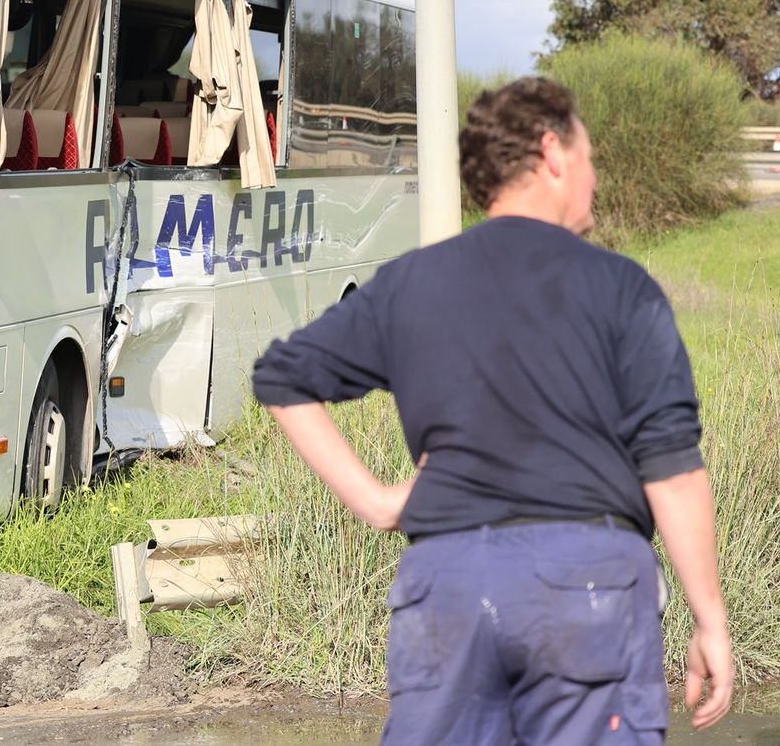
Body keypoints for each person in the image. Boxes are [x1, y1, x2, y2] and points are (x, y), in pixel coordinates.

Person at [252, 77, 731, 745]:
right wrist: (710, 618)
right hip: (585, 582)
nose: (593, 176)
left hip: (446, 582)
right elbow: (672, 468)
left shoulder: (412, 281)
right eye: (589, 156)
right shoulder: (623, 288)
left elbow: (281, 376)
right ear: (553, 152)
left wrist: (378, 502)